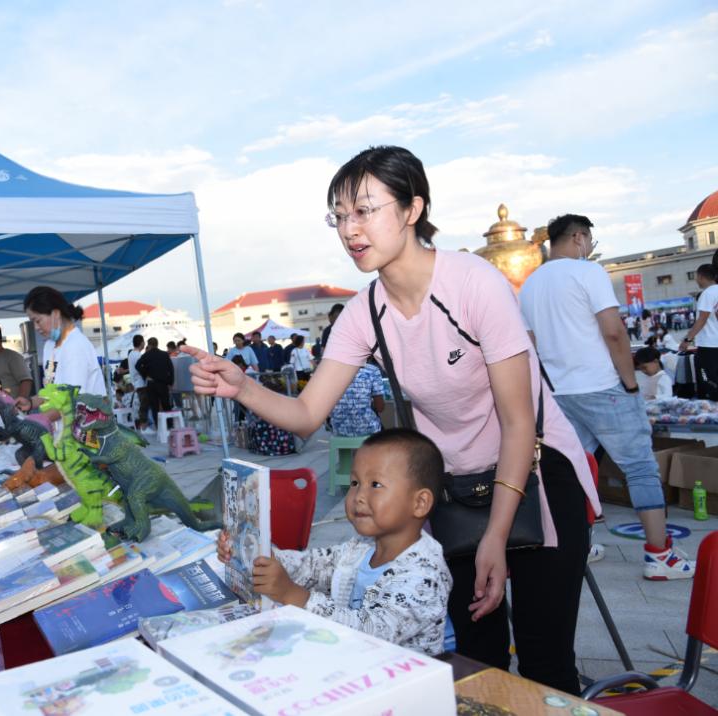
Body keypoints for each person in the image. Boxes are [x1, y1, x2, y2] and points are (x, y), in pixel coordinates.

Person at [184, 145, 599, 694]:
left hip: (536, 479)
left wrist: (496, 536)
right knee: (479, 661)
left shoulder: (474, 283)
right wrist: (245, 387)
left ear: (411, 209)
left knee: (546, 664)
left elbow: (519, 422)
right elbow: (307, 414)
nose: (350, 228)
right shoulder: (365, 312)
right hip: (453, 493)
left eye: (365, 209)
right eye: (339, 215)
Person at [520, 214, 694, 580]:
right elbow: (613, 332)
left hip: (559, 393)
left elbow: (530, 345)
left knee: (572, 471)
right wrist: (630, 384)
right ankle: (659, 554)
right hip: (602, 387)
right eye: (590, 241)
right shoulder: (588, 272)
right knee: (641, 469)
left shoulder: (531, 285)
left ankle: (576, 546)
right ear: (579, 237)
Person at [216, 429, 451, 655]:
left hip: (404, 685)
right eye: (355, 483)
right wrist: (259, 554)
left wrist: (294, 596)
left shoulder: (424, 576)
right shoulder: (362, 547)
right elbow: (313, 565)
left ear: (419, 503)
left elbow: (372, 633)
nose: (358, 496)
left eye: (375, 485)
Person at [17, 286, 106, 411]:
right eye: (33, 323)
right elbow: (52, 392)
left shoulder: (75, 346)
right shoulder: (49, 346)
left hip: (84, 427)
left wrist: (38, 421)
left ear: (56, 314)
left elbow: (70, 400)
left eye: (38, 320)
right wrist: (31, 402)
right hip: (62, 428)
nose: (36, 327)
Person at [680, 264, 718, 400]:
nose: (696, 280)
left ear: (701, 276)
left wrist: (687, 340)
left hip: (709, 345)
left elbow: (702, 320)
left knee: (708, 380)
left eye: (696, 277)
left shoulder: (707, 294)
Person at [330, 362, 386, 436]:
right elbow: (380, 407)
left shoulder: (330, 370)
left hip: (339, 431)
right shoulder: (372, 370)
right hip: (368, 429)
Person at [136, 337, 175, 431]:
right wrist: (171, 382)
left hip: (151, 384)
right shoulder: (164, 354)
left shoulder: (146, 355)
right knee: (166, 405)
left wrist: (145, 374)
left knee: (155, 407)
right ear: (157, 344)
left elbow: (137, 365)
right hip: (163, 383)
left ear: (149, 345)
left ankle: (159, 428)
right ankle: (169, 426)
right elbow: (171, 369)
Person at [127, 334, 149, 429]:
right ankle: (143, 426)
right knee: (144, 404)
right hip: (141, 382)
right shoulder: (137, 355)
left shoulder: (131, 354)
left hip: (136, 382)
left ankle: (143, 425)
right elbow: (141, 368)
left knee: (142, 404)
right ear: (142, 343)